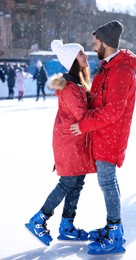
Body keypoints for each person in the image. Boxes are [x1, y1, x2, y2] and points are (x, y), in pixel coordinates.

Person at [70, 20, 136, 255]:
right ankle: (113, 226)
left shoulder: (120, 70)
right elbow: (97, 100)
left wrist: (84, 125)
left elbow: (112, 111)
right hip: (103, 134)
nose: (93, 46)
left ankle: (115, 234)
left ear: (106, 43)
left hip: (110, 135)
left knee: (108, 183)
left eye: (95, 42)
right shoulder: (109, 66)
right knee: (109, 183)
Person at [25, 39, 96, 246]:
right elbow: (82, 115)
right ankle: (39, 219)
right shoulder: (70, 87)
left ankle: (67, 226)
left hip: (77, 139)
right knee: (68, 183)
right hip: (69, 141)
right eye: (81, 53)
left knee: (78, 182)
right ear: (73, 60)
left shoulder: (77, 84)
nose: (85, 56)